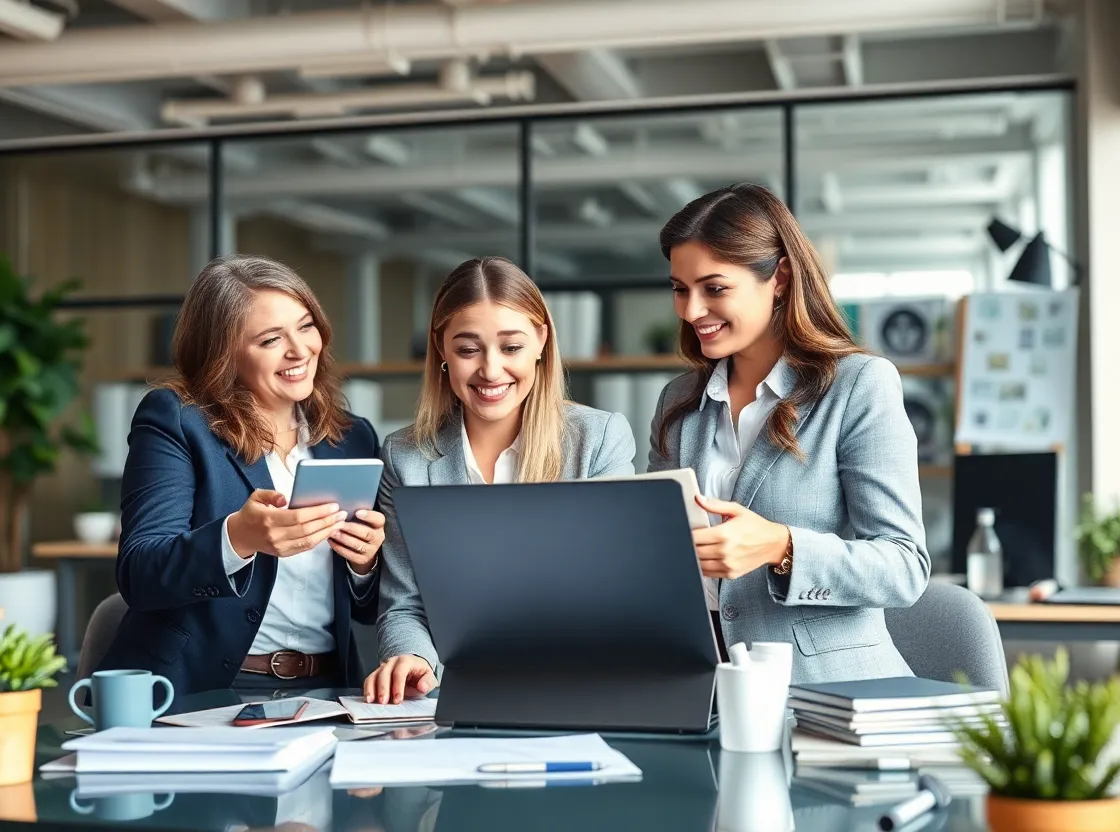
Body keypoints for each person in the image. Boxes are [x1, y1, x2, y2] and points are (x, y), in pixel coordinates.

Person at [648, 184, 930, 685]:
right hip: (694, 684)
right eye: (679, 289)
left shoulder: (859, 385)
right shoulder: (678, 402)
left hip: (825, 693)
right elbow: (654, 548)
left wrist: (781, 546)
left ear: (778, 278)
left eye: (714, 288)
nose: (691, 311)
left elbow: (903, 565)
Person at [95, 256, 386, 695]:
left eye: (306, 326)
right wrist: (237, 538)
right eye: (271, 339)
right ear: (224, 352)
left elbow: (369, 610)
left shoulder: (352, 436)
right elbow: (140, 572)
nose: (299, 349)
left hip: (328, 690)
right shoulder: (177, 421)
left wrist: (365, 564)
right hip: (209, 687)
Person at [365, 256, 637, 704]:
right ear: (442, 350)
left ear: (541, 341)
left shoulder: (598, 439)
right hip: (454, 695)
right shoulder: (405, 456)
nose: (491, 371)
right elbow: (404, 603)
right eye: (468, 350)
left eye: (511, 348)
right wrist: (412, 656)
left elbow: (616, 591)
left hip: (577, 688)